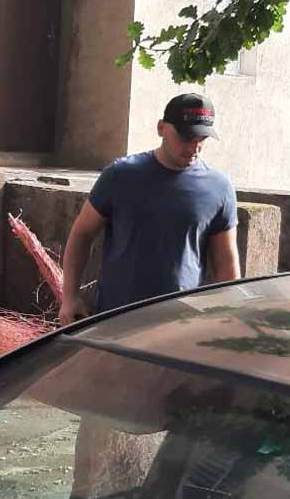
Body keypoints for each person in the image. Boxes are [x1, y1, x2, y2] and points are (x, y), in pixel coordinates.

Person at [59, 92, 241, 325]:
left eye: (201, 139)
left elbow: (226, 265)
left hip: (180, 324)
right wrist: (70, 297)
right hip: (115, 319)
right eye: (186, 137)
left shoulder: (219, 188)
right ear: (161, 128)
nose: (193, 147)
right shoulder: (120, 176)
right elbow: (82, 234)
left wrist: (229, 317)